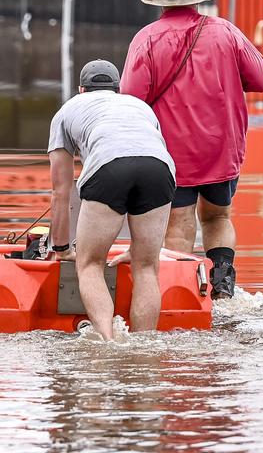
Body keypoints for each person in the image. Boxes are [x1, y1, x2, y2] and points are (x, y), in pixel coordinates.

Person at [121, 0, 263, 298]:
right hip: (222, 146)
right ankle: (222, 284)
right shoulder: (225, 31)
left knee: (178, 222)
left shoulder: (146, 40)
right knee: (218, 217)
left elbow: (130, 101)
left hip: (173, 152)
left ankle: (184, 293)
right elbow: (260, 78)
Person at [47, 59, 177, 341]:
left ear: (81, 89)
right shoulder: (139, 106)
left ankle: (107, 342)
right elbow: (143, 155)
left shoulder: (67, 110)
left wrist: (61, 247)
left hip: (108, 167)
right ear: (118, 89)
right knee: (146, 266)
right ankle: (144, 346)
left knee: (90, 264)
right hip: (160, 169)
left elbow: (60, 191)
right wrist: (141, 248)